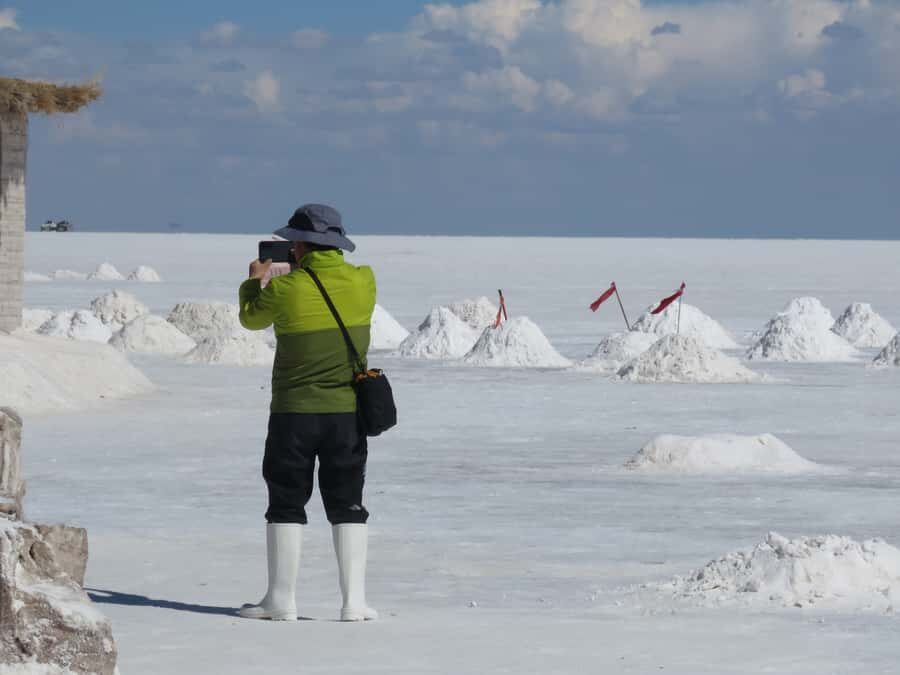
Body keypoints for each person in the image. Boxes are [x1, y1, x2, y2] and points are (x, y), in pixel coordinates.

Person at [237, 203, 378, 622]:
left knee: (286, 501)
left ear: (300, 245)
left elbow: (250, 320)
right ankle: (353, 603)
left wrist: (253, 282)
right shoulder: (365, 281)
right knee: (349, 502)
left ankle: (281, 601)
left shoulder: (285, 289)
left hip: (293, 414)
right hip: (347, 415)